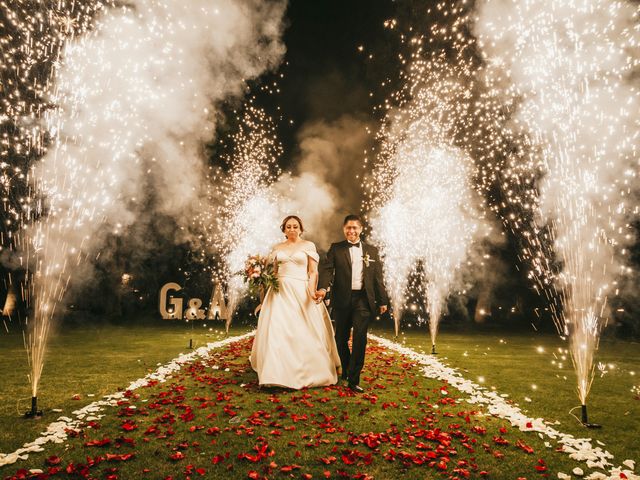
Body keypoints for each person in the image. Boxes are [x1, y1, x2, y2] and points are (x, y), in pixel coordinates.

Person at [250, 215, 341, 389]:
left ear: (301, 228)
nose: (292, 229)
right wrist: (263, 281)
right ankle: (274, 374)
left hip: (301, 290)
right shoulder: (277, 248)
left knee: (302, 329)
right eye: (288, 227)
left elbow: (313, 272)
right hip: (279, 292)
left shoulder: (308, 246)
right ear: (284, 230)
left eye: (295, 226)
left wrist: (312, 291)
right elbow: (274, 272)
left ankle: (307, 369)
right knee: (277, 330)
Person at [316, 214, 389, 393]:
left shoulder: (372, 251)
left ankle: (354, 379)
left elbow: (377, 277)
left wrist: (383, 299)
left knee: (359, 339)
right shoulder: (336, 248)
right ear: (344, 229)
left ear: (361, 229)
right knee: (340, 338)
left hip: (363, 300)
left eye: (355, 227)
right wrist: (323, 288)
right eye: (348, 227)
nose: (352, 231)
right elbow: (327, 271)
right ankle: (347, 369)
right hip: (342, 299)